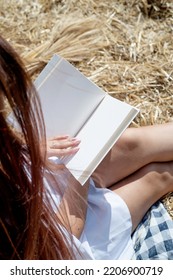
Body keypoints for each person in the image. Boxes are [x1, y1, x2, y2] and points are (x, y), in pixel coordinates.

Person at [0, 34, 173, 260]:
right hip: (66, 238)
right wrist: (80, 171)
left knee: (131, 143)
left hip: (40, 181)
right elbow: (62, 242)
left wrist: (26, 147)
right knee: (158, 176)